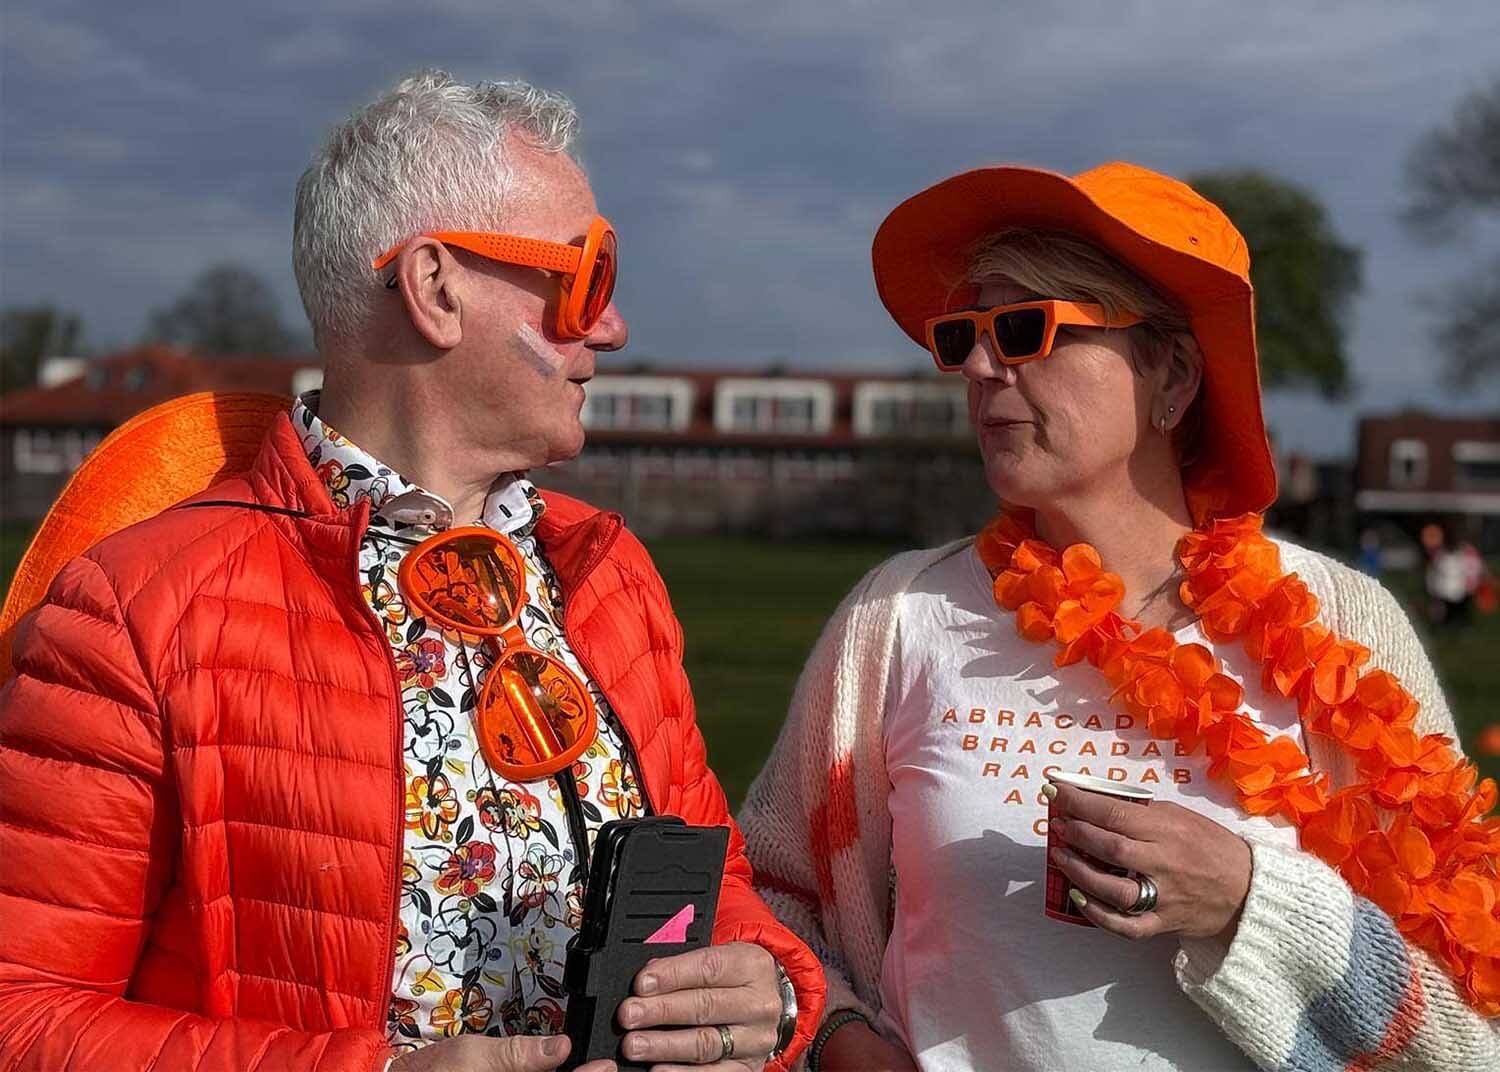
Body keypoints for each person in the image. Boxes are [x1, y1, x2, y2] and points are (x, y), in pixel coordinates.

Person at [0, 71, 820, 1072]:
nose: (612, 328)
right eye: (587, 278)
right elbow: (23, 1015)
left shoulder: (612, 574)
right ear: (436, 289)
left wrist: (772, 990)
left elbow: (714, 880)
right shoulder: (137, 613)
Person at [739, 162, 1499, 1070]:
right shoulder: (895, 618)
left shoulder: (1341, 622)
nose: (982, 368)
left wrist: (1246, 900)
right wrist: (841, 1043)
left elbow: (1468, 1036)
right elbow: (772, 900)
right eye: (964, 337)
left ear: (1170, 374)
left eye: (1026, 331)